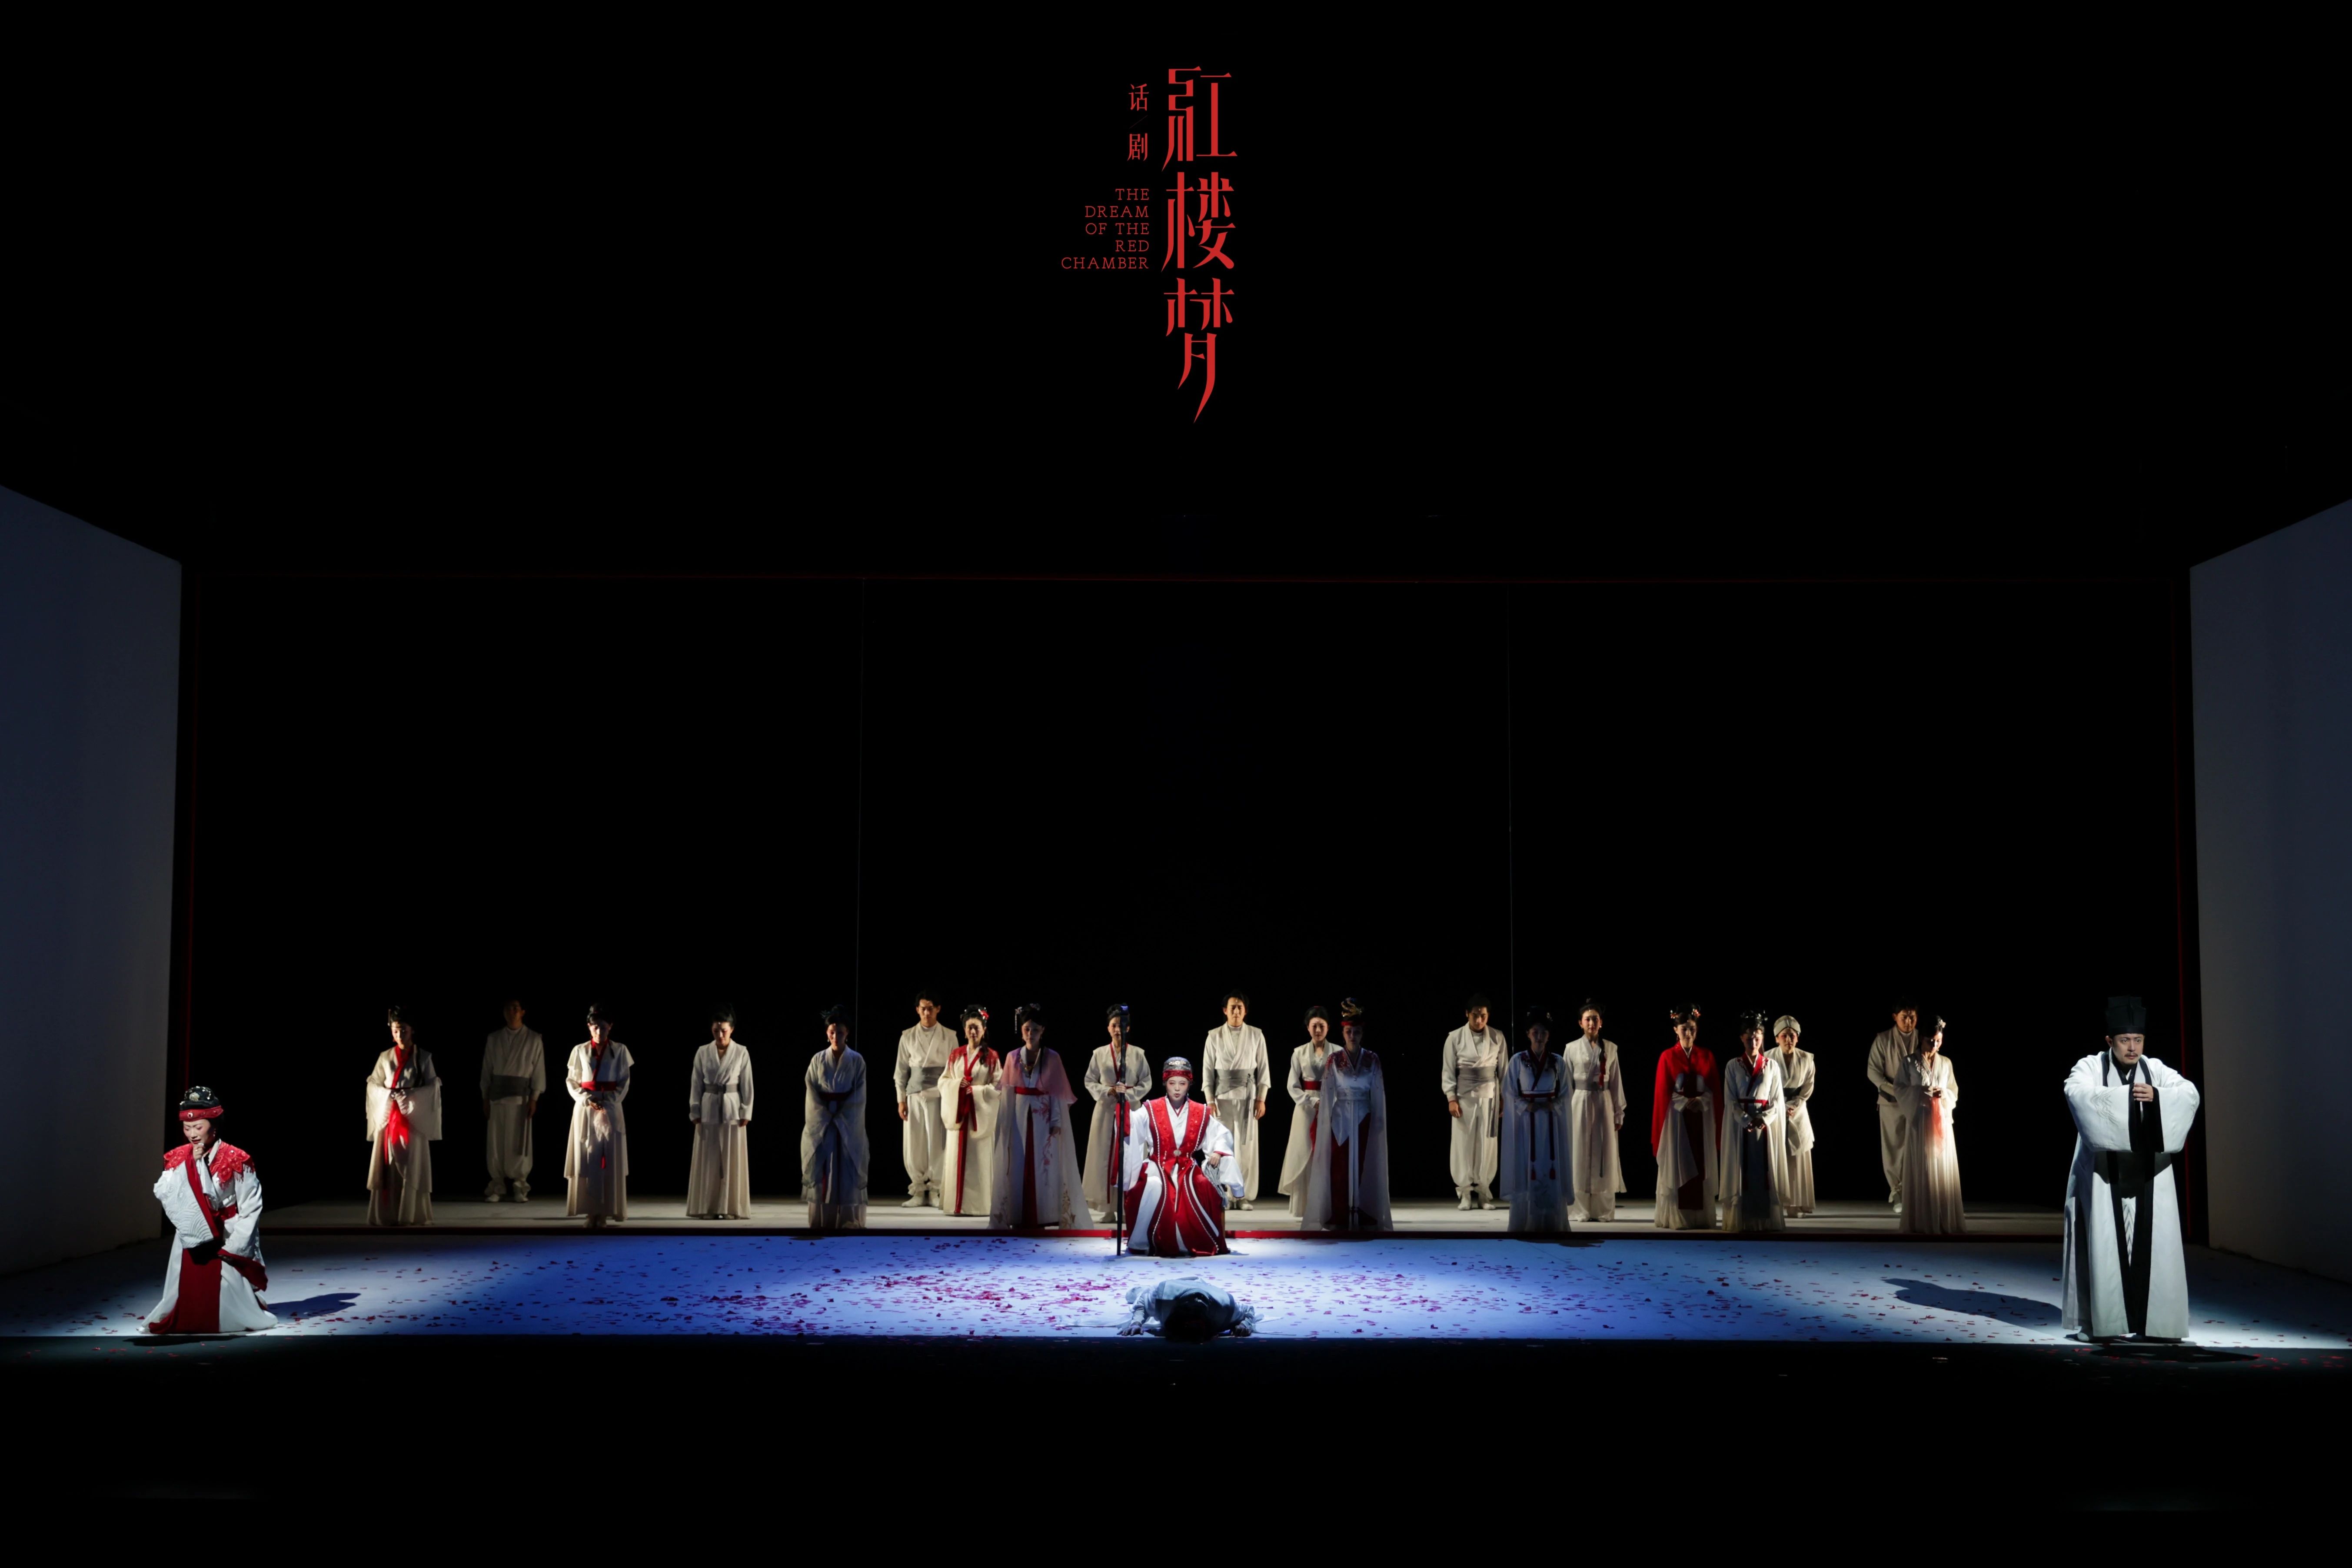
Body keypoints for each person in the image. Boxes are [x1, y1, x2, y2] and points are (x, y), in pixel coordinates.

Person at [2063, 996, 2201, 1341]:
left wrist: (2157, 1097)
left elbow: (2188, 1094)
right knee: (2103, 1244)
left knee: (2154, 1245)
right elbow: (2075, 1091)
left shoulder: (2155, 1069)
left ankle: (2157, 1324)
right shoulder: (2091, 1066)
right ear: (2109, 1041)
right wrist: (2125, 1098)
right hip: (2103, 1174)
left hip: (2147, 1173)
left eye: (2138, 1040)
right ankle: (2099, 1323)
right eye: (2124, 1040)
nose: (2132, 1047)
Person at [145, 1086, 275, 1334]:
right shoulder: (178, 1157)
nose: (192, 1134)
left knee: (227, 1287)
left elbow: (251, 1205)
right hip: (193, 1230)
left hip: (226, 1232)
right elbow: (166, 1193)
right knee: (186, 1284)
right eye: (187, 1128)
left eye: (198, 1127)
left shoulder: (237, 1158)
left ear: (214, 1126)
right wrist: (192, 1164)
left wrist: (237, 1245)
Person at [1122, 1057, 1243, 1256]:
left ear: (1189, 1085)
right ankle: (1145, 1241)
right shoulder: (1151, 1108)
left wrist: (1218, 1150)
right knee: (1153, 1185)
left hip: (1187, 1167)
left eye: (1182, 1083)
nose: (1177, 1089)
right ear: (1165, 1084)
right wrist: (1123, 1105)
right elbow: (1132, 1124)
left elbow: (1220, 1134)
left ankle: (1189, 1242)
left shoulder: (1200, 1111)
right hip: (1157, 1165)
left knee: (1203, 1185)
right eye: (1172, 1083)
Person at [989, 1002, 1088, 1229]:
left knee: (1045, 1164)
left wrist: (1056, 1120)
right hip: (1018, 1117)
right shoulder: (1012, 1057)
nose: (1030, 1034)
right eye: (1027, 1029)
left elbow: (1057, 1092)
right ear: (1022, 1031)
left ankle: (1045, 1214)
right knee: (1018, 1163)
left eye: (1035, 1029)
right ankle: (1017, 1215)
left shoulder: (1052, 1057)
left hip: (1044, 1117)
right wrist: (1005, 1123)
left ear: (1043, 1031)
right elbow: (1008, 1093)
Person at [1302, 999, 1393, 1231]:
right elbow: (1328, 1093)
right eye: (1349, 1032)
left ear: (1362, 1033)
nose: (1353, 1036)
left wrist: (1379, 1121)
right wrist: (1325, 1121)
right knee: (1340, 1168)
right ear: (1343, 1033)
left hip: (1363, 1116)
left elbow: (1378, 1093)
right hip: (1341, 1117)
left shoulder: (1372, 1059)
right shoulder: (1334, 1060)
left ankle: (1364, 1211)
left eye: (1357, 1032)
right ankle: (1340, 1213)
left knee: (1364, 1165)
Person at [366, 1005, 442, 1226]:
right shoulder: (385, 1057)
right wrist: (387, 1096)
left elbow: (433, 1086)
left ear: (412, 1030)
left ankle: (411, 1215)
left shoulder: (424, 1057)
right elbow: (373, 1083)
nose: (400, 1035)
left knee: (411, 1165)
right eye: (396, 1030)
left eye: (404, 1030)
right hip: (390, 1116)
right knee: (388, 1166)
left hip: (412, 1118)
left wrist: (409, 1098)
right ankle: (387, 1215)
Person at [1499, 1006, 1574, 1232]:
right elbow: (1509, 1092)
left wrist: (1555, 1105)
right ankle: (1526, 1223)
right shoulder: (1518, 1060)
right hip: (1527, 1123)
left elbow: (1566, 1091)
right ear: (1528, 1034)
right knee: (1527, 1167)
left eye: (1543, 1033)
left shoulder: (1558, 1061)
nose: (1539, 1037)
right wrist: (1525, 1105)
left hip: (1550, 1122)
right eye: (1535, 1032)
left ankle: (1551, 1223)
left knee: (1550, 1166)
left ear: (1549, 1036)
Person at [1651, 1003, 1719, 1229]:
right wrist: (1683, 1103)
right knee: (1678, 1163)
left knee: (1701, 1164)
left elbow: (1714, 1090)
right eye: (1684, 1029)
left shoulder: (1707, 1056)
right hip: (1677, 1121)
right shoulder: (1667, 1057)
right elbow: (1663, 1093)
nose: (1688, 1033)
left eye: (1692, 1029)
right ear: (1676, 1030)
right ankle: (1678, 1218)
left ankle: (1701, 1218)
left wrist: (1702, 1101)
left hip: (1701, 1119)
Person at [565, 1003, 634, 1227]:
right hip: (587, 1108)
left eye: (603, 1027)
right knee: (588, 1158)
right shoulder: (580, 1050)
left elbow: (624, 1081)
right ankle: (590, 1211)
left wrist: (609, 1101)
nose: (599, 1031)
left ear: (610, 1027)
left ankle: (605, 1211)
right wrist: (587, 1099)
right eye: (595, 1027)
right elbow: (572, 1081)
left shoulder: (620, 1050)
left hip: (610, 1108)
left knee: (609, 1160)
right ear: (589, 1027)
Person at [1201, 992, 1271, 1210]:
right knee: (1223, 1146)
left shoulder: (1256, 1035)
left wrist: (1261, 1098)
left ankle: (1242, 1195)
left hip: (1248, 1098)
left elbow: (1264, 1070)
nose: (1237, 1011)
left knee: (1246, 1148)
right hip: (1222, 1099)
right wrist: (1210, 1100)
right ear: (1225, 1010)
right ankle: (1224, 1194)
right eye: (1233, 1007)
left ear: (1246, 1011)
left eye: (1240, 1007)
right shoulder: (1214, 1036)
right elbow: (1207, 1072)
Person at [1719, 1010, 1786, 1233]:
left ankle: (1764, 1221)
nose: (1753, 1042)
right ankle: (1742, 1221)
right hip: (1742, 1126)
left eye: (1757, 1038)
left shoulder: (1772, 1066)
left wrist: (1763, 1118)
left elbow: (1777, 1100)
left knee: (1763, 1171)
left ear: (1763, 1038)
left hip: (1763, 1125)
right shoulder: (1733, 1065)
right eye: (1749, 1038)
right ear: (1742, 1038)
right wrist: (1745, 1119)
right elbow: (1730, 1099)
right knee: (1741, 1169)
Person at [802, 1005, 868, 1231]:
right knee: (825, 1169)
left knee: (847, 1170)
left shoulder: (857, 1061)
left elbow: (860, 1094)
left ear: (847, 1033)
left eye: (840, 1032)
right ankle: (824, 1220)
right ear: (827, 1033)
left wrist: (842, 1114)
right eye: (832, 1032)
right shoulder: (818, 1060)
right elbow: (812, 1090)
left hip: (847, 1121)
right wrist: (825, 1114)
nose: (836, 1037)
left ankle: (849, 1219)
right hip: (824, 1121)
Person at [687, 1005, 756, 1219]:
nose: (720, 1035)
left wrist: (746, 1111)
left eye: (724, 1031)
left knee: (731, 1158)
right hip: (709, 1105)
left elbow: (747, 1084)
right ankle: (707, 1207)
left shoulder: (741, 1052)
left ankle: (730, 1208)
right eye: (716, 1031)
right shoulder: (703, 1052)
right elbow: (696, 1083)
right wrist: (695, 1109)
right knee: (709, 1158)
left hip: (732, 1107)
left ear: (732, 1030)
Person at [1084, 1003, 1150, 1223]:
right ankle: (1108, 1208)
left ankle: (1128, 1207)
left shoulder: (1138, 1054)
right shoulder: (1099, 1054)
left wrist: (1128, 1094)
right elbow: (1089, 1080)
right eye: (1114, 1025)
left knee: (1130, 1157)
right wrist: (1108, 1091)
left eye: (1121, 1026)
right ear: (1108, 1028)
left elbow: (1147, 1082)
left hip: (1130, 1109)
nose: (1117, 1029)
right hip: (1106, 1110)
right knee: (1105, 1156)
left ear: (1128, 1028)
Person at [1897, 1014, 1963, 1234]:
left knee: (1941, 1168)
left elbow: (1953, 1091)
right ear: (1921, 1039)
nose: (1935, 1045)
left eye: (1939, 1041)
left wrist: (1944, 1094)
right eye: (1931, 1041)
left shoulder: (1946, 1063)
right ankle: (1922, 1221)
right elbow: (1900, 1089)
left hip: (1941, 1120)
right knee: (1923, 1167)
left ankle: (1943, 1220)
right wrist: (1921, 1092)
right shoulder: (1909, 1062)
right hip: (1921, 1120)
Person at [1441, 992, 1506, 1209]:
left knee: (1487, 1145)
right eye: (1475, 1015)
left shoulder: (1498, 1037)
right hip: (1464, 1097)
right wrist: (1451, 1098)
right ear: (1467, 1014)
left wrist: (1504, 1098)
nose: (1479, 1020)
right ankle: (1465, 1192)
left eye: (1483, 1016)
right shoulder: (1455, 1037)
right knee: (1464, 1144)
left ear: (1488, 1016)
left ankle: (1484, 1192)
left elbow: (1504, 1071)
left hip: (1489, 1096)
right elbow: (1448, 1071)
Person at [1563, 999, 1627, 1221]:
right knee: (1579, 1152)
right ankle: (1579, 1208)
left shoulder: (1610, 1048)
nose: (1591, 1023)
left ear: (1601, 1023)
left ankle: (1602, 1209)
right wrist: (1565, 1112)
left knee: (1604, 1151)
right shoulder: (1571, 1048)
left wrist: (1619, 1111)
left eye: (1595, 1019)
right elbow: (1567, 1084)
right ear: (1580, 1023)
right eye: (1588, 1019)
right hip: (1580, 1101)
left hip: (1603, 1102)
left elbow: (1616, 1082)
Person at [893, 990, 957, 1208]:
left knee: (937, 1142)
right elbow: (901, 1072)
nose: (927, 1013)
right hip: (915, 1095)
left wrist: (952, 1098)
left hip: (939, 1095)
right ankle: (919, 1189)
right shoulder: (908, 1036)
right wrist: (901, 1100)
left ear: (938, 1009)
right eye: (923, 1009)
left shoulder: (949, 1036)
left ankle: (936, 1188)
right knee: (915, 1143)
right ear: (917, 1010)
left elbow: (955, 1069)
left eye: (931, 1009)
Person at [479, 999, 545, 1202]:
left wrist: (534, 1098)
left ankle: (520, 1185)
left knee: (519, 1142)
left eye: (516, 1008)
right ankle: (497, 1185)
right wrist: (485, 1098)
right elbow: (487, 1070)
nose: (513, 1012)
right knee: (497, 1143)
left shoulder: (534, 1039)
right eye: (509, 1008)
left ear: (523, 1012)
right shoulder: (494, 1039)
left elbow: (538, 1071)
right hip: (497, 1097)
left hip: (520, 1098)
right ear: (504, 1012)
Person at [938, 1004, 1000, 1216]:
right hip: (960, 1115)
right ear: (964, 1031)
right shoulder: (955, 1055)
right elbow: (943, 1081)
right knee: (956, 1159)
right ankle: (955, 1204)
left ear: (984, 1030)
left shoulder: (992, 1057)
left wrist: (976, 1091)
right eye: (970, 1028)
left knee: (978, 1161)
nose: (973, 1032)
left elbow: (998, 1086)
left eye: (977, 1028)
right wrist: (957, 1086)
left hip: (979, 1117)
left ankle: (978, 1206)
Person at [1866, 998, 1923, 1214]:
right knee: (1893, 1146)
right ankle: (1896, 1190)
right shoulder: (1883, 1039)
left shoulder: (1922, 1038)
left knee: (1916, 1146)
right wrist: (1894, 1090)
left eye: (1912, 1017)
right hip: (1892, 1099)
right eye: (1904, 1017)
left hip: (1916, 1099)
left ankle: (1914, 1191)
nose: (1909, 1022)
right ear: (1895, 1018)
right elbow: (1873, 1072)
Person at [1278, 1005, 1334, 1218]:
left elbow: (1341, 1084)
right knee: (1305, 1152)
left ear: (1328, 1027)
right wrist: (1311, 1101)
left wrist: (1329, 1102)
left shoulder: (1338, 1052)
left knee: (1326, 1154)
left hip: (1331, 1107)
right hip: (1305, 1108)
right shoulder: (1299, 1052)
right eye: (1314, 1026)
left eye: (1322, 1026)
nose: (1318, 1030)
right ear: (1308, 1028)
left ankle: (1325, 1206)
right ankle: (1303, 1206)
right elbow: (1292, 1085)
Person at [1772, 1015, 1818, 1216]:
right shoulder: (1768, 1058)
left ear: (1798, 1038)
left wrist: (1795, 1105)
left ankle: (1798, 1202)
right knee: (1778, 1155)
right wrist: (1781, 1106)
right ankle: (1779, 1201)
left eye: (1792, 1036)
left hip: (1798, 1111)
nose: (1789, 1039)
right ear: (1777, 1038)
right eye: (1784, 1036)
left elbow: (1808, 1087)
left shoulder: (1807, 1059)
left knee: (1798, 1156)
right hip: (1775, 1109)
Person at [1120, 1277, 1260, 1338]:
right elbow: (1142, 1302)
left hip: (1207, 1290)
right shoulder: (1161, 1295)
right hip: (1175, 1287)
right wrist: (1137, 1322)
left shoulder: (1226, 1308)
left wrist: (1244, 1324)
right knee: (1132, 1294)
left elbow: (1249, 1310)